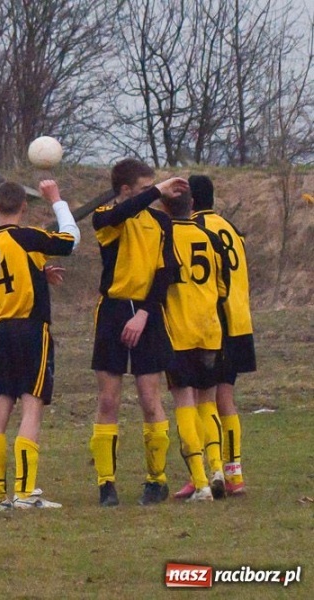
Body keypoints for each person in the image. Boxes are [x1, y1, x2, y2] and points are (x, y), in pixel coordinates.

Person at [0, 179, 80, 510]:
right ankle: (24, 493)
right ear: (23, 208)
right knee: (32, 407)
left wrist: (38, 272)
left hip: (1, 332)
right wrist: (57, 200)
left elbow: (4, 278)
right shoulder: (29, 236)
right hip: (31, 330)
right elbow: (71, 241)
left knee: (0, 408)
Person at [88, 159, 188, 507]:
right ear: (127, 190)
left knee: (150, 400)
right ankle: (106, 484)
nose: (153, 194)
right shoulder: (105, 216)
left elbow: (164, 274)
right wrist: (156, 192)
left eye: (153, 187)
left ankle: (156, 480)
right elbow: (120, 214)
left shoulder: (160, 221)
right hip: (113, 312)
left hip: (147, 314)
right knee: (108, 400)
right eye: (145, 188)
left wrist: (145, 313)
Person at [158, 190, 230, 502]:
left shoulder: (164, 238)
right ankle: (217, 469)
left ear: (164, 207)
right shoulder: (211, 238)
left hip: (180, 331)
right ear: (192, 207)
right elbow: (222, 287)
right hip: (210, 329)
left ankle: (200, 483)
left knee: (184, 404)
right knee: (208, 403)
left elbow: (160, 283)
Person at [186, 174, 256, 497]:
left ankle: (205, 469)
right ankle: (234, 473)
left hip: (216, 323)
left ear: (189, 201)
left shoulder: (196, 231)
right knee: (226, 398)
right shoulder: (232, 230)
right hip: (241, 322)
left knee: (206, 399)